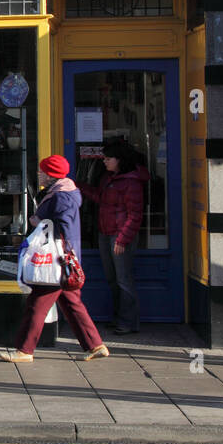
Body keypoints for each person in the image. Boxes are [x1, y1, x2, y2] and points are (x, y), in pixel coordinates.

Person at [0, 154, 109, 363]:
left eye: (42, 172)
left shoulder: (61, 196)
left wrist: (42, 224)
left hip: (55, 258)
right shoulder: (62, 192)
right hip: (63, 257)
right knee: (71, 303)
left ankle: (24, 350)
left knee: (37, 303)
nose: (39, 175)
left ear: (50, 175)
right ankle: (95, 345)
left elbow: (64, 224)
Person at [80, 138, 149, 335]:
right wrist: (80, 186)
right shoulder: (109, 178)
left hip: (119, 236)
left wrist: (122, 240)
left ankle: (127, 322)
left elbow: (135, 215)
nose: (104, 161)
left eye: (108, 158)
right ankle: (119, 317)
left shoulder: (131, 183)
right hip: (105, 233)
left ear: (120, 160)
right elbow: (100, 197)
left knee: (123, 280)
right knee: (112, 278)